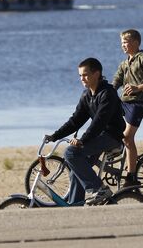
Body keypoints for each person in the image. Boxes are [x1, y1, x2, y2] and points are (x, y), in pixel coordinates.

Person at [45, 58, 125, 205]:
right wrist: (55, 136)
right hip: (97, 136)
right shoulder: (87, 95)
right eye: (80, 75)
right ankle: (76, 205)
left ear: (97, 74)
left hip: (111, 136)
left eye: (85, 75)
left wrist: (82, 140)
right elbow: (75, 120)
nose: (82, 78)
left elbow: (99, 122)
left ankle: (99, 188)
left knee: (70, 153)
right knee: (77, 166)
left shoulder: (108, 94)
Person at [112, 29, 143, 187]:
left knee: (128, 137)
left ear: (135, 42)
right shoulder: (125, 63)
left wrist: (138, 88)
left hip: (140, 102)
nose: (123, 46)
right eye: (122, 43)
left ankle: (131, 176)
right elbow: (115, 82)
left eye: (126, 43)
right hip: (124, 102)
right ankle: (117, 153)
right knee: (109, 127)